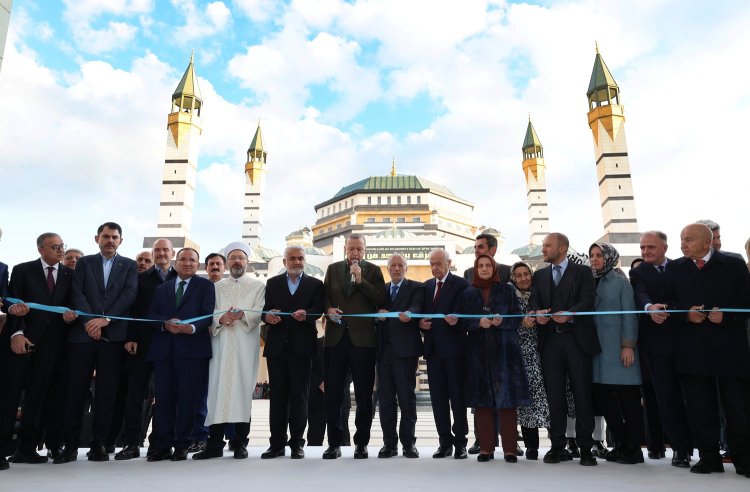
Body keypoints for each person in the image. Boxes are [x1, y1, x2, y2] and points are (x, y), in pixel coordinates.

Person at [663, 223, 750, 476]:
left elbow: (746, 300)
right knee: (700, 408)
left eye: (688, 239)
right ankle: (709, 457)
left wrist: (726, 316)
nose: (682, 244)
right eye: (681, 239)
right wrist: (686, 315)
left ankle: (743, 458)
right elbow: (669, 302)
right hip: (693, 351)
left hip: (730, 349)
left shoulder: (733, 265)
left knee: (738, 408)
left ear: (706, 242)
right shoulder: (675, 269)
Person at [54, 222, 138, 464]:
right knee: (75, 392)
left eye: (114, 237)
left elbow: (128, 296)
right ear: (97, 238)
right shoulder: (84, 263)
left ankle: (98, 444)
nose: (110, 240)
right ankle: (70, 445)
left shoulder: (129, 266)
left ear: (121, 240)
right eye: (106, 236)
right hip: (83, 337)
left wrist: (105, 320)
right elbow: (77, 293)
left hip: (112, 338)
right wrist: (91, 322)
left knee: (106, 393)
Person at [0, 234, 77, 467]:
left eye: (62, 246)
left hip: (52, 347)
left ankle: (26, 449)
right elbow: (11, 303)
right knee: (8, 396)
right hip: (21, 342)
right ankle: (1, 449)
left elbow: (73, 306)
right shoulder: (22, 270)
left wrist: (70, 316)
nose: (61, 250)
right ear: (41, 249)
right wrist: (18, 333)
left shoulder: (69, 275)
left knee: (38, 397)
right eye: (55, 247)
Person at [529, 233, 600, 466]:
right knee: (555, 396)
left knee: (582, 395)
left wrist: (570, 314)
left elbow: (589, 299)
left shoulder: (582, 272)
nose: (543, 249)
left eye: (547, 246)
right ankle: (557, 446)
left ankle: (586, 448)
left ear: (562, 248)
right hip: (550, 342)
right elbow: (535, 302)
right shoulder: (539, 276)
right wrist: (538, 314)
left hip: (576, 341)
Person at [193, 242, 264, 460]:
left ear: (247, 261)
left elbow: (260, 310)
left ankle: (240, 443)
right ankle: (214, 444)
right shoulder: (216, 287)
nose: (236, 261)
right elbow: (209, 311)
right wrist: (220, 318)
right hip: (221, 342)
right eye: (232, 258)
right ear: (227, 262)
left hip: (245, 343)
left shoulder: (258, 286)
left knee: (242, 392)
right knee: (217, 392)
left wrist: (243, 315)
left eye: (240, 258)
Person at [145, 248, 215, 462]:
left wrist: (191, 328)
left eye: (192, 260)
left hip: (192, 351)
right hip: (164, 351)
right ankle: (162, 445)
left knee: (188, 401)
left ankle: (182, 445)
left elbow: (209, 313)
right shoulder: (162, 288)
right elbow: (151, 314)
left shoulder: (206, 286)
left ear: (198, 265)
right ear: (176, 262)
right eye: (183, 259)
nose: (187, 263)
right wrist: (164, 324)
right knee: (163, 400)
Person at [629, 231, 692, 468]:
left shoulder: (682, 267)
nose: (645, 252)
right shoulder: (638, 272)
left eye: (651, 247)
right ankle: (680, 449)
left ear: (665, 247)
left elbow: (686, 297)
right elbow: (640, 294)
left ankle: (705, 446)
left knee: (695, 398)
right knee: (666, 398)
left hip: (687, 341)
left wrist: (672, 308)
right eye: (642, 247)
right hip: (656, 346)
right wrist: (649, 307)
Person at [112, 238, 177, 460]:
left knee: (165, 397)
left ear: (172, 253)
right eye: (157, 250)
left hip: (170, 346)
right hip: (141, 345)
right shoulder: (139, 279)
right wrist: (130, 337)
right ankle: (131, 442)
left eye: (165, 250)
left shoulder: (182, 279)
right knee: (135, 397)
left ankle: (160, 443)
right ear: (153, 253)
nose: (161, 253)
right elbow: (132, 310)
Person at [322, 233, 385, 459]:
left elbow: (380, 299)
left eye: (359, 249)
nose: (355, 253)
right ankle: (334, 442)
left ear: (364, 250)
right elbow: (325, 296)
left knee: (364, 394)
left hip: (363, 341)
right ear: (345, 250)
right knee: (334, 395)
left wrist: (361, 280)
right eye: (351, 249)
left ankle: (361, 443)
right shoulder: (333, 269)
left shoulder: (374, 271)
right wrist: (328, 309)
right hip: (336, 339)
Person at [462, 255, 529, 462]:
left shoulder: (507, 289)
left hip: (504, 353)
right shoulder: (469, 292)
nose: (484, 269)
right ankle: (486, 449)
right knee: (483, 403)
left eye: (487, 265)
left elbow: (517, 318)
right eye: (480, 266)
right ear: (476, 269)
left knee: (507, 402)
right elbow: (462, 321)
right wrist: (476, 323)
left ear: (494, 268)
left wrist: (502, 322)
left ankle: (509, 449)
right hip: (478, 355)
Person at [261, 245, 324, 459]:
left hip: (303, 349)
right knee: (277, 397)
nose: (297, 262)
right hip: (277, 349)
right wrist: (268, 316)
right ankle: (276, 444)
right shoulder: (272, 283)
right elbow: (264, 311)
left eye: (300, 258)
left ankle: (297, 443)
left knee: (300, 398)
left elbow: (319, 309)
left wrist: (306, 315)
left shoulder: (315, 284)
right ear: (284, 261)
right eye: (292, 258)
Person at [588, 243, 644, 464]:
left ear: (609, 257)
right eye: (592, 255)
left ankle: (634, 448)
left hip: (619, 351)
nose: (594, 259)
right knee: (605, 400)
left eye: (599, 255)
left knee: (627, 400)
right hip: (598, 352)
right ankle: (619, 444)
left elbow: (629, 315)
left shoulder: (620, 282)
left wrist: (628, 345)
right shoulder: (591, 282)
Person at [419, 248, 470, 459]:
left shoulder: (461, 284)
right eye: (431, 264)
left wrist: (458, 321)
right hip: (433, 353)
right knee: (438, 400)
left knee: (457, 398)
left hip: (455, 351)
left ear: (448, 263)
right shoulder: (427, 286)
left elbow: (468, 316)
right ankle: (444, 443)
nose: (434, 268)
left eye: (438, 263)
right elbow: (421, 315)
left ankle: (460, 444)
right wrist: (421, 324)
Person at [375, 253, 422, 459]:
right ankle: (389, 444)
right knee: (385, 401)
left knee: (407, 399)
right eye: (392, 265)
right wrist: (379, 316)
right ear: (387, 269)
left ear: (406, 268)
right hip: (383, 353)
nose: (396, 268)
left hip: (405, 353)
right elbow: (374, 314)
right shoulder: (381, 290)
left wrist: (409, 314)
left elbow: (416, 307)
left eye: (400, 265)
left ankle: (408, 443)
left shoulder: (416, 287)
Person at [511, 261, 550, 461]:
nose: (524, 278)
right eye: (518, 275)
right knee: (527, 403)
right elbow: (506, 325)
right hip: (524, 358)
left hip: (546, 355)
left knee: (553, 399)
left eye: (526, 273)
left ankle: (559, 443)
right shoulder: (511, 299)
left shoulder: (542, 294)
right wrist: (521, 322)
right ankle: (531, 447)